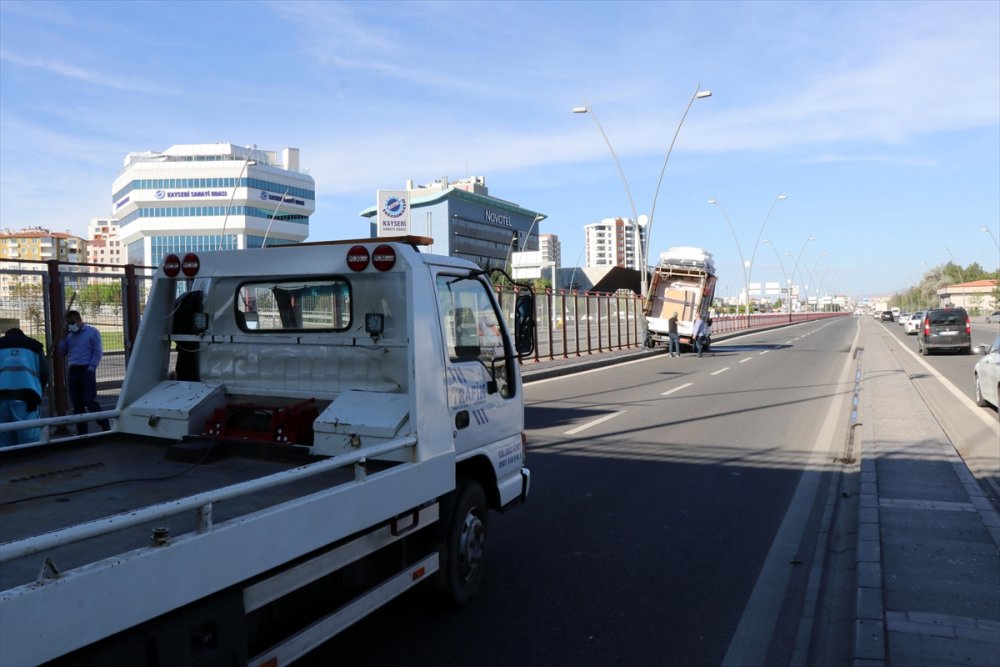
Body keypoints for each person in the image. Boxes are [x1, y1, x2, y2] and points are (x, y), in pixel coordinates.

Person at [57, 310, 110, 434]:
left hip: (86, 369)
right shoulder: (69, 336)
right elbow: (62, 352)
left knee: (89, 401)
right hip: (73, 371)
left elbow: (98, 351)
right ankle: (82, 432)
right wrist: (63, 338)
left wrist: (91, 368)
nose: (71, 325)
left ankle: (105, 425)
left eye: (73, 322)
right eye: (68, 323)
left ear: (79, 321)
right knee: (77, 405)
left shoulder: (92, 332)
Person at [0, 327, 50, 446]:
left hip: (1, 398)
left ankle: (9, 463)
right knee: (29, 440)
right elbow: (45, 373)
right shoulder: (35, 346)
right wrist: (39, 392)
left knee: (4, 440)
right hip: (28, 399)